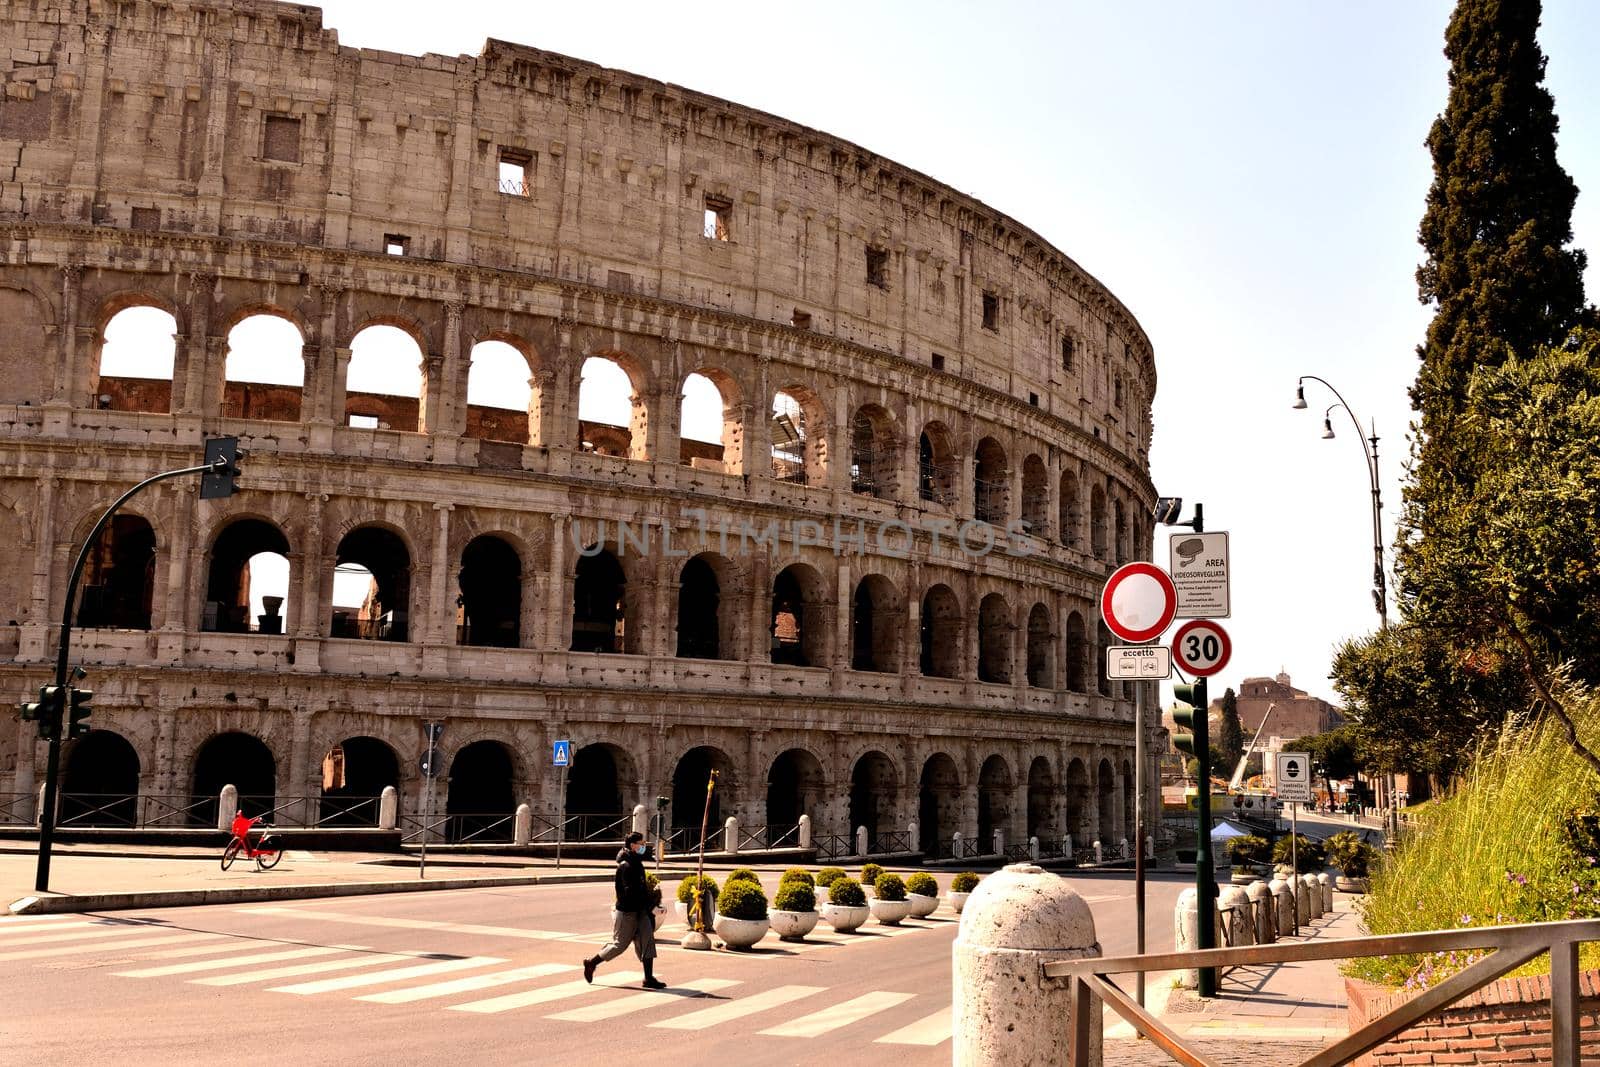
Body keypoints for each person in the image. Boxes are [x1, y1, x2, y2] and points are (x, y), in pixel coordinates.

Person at [582, 831, 665, 989]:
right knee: (619, 945)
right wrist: (648, 905)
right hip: (627, 912)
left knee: (647, 941)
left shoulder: (636, 862)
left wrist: (650, 905)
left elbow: (641, 889)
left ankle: (648, 978)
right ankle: (591, 963)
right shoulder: (625, 866)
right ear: (633, 845)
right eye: (641, 844)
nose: (643, 847)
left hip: (641, 911)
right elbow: (630, 892)